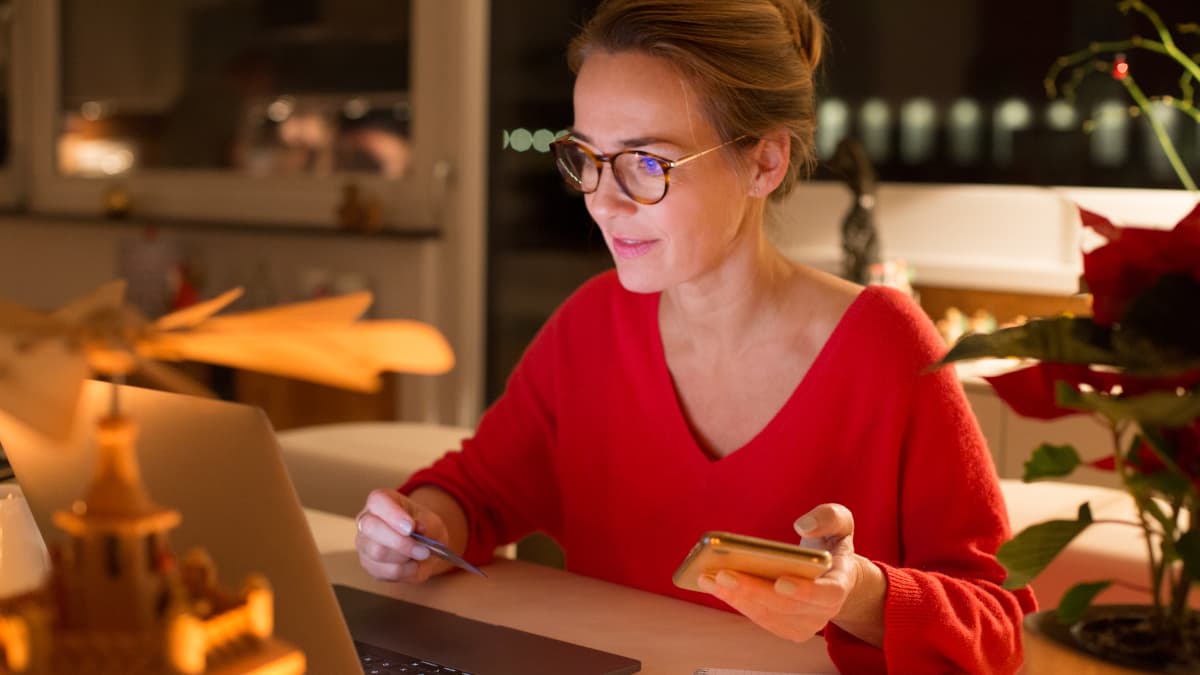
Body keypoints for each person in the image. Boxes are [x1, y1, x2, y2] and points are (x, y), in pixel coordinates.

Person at [355, 0, 1036, 671]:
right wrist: (417, 530)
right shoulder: (592, 326)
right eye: (587, 156)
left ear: (765, 162)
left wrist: (853, 592)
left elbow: (996, 625)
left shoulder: (886, 347)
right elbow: (475, 493)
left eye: (647, 163)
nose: (602, 199)